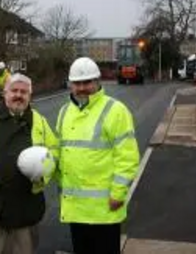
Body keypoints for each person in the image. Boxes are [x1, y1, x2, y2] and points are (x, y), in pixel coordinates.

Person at [0, 73, 58, 254]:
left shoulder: (40, 122)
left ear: (30, 96)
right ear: (4, 93)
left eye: (24, 92)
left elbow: (53, 152)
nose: (18, 95)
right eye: (14, 90)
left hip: (25, 207)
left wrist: (41, 175)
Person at [55, 57, 140, 254]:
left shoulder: (115, 111)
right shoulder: (64, 112)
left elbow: (127, 156)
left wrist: (118, 193)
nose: (82, 88)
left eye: (87, 82)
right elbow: (59, 151)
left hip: (105, 209)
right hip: (76, 208)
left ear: (98, 82)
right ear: (70, 84)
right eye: (77, 83)